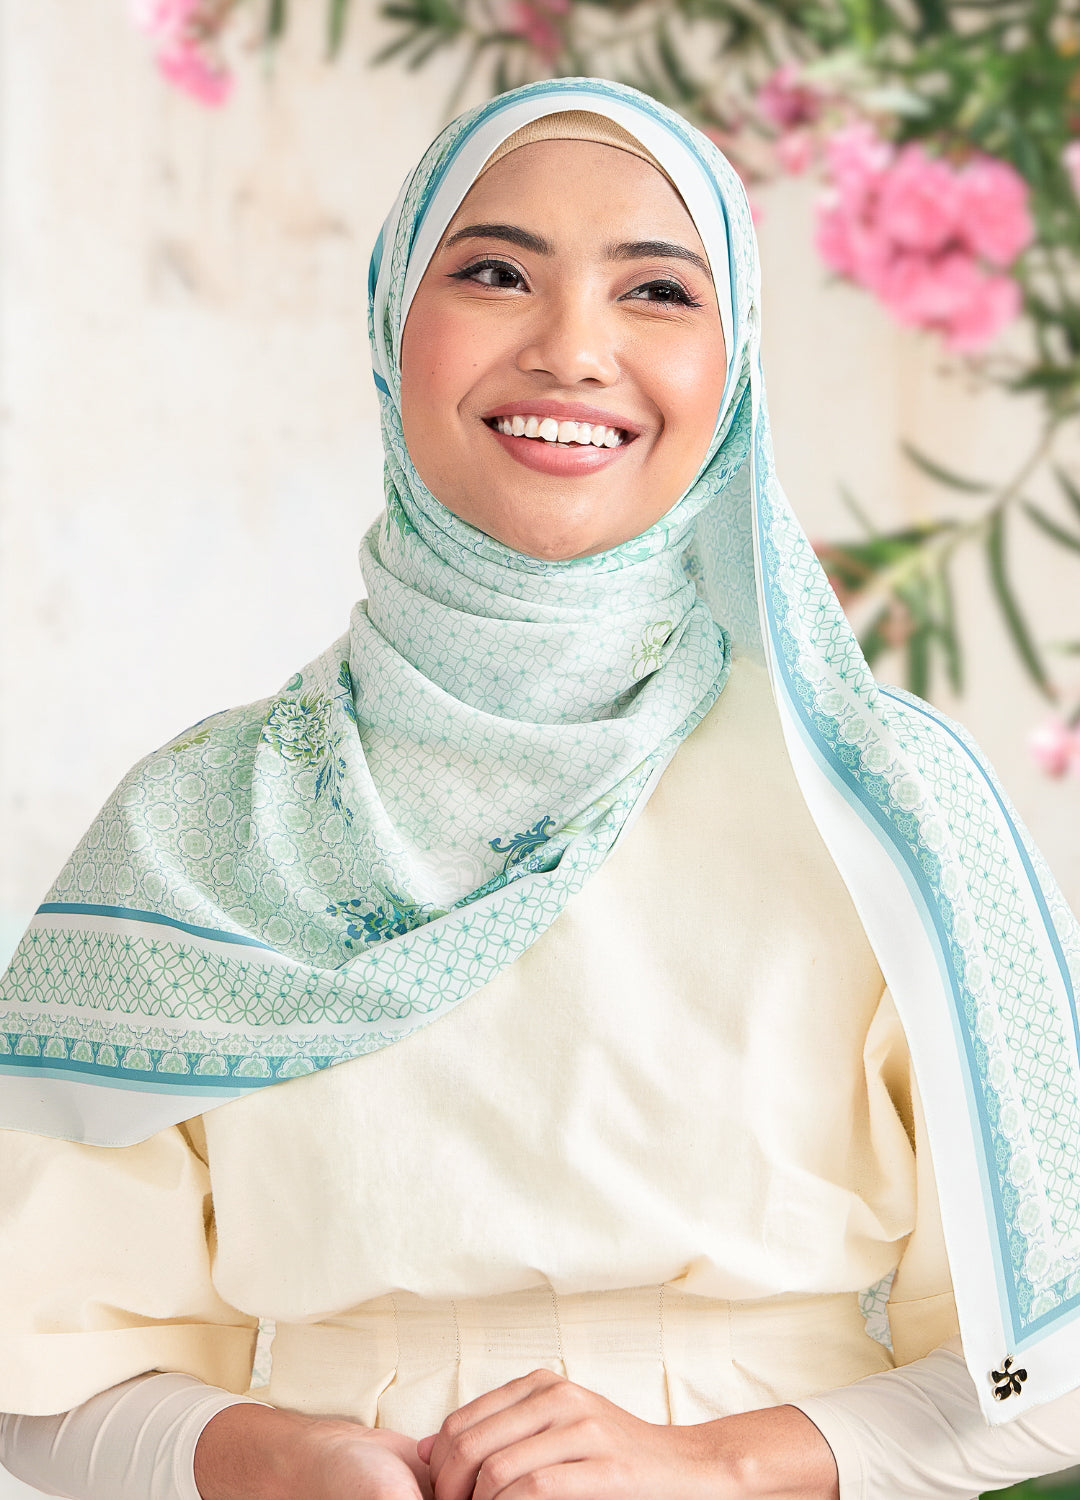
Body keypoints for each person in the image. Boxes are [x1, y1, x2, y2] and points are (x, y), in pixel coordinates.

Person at [2, 77, 1080, 1500]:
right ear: (394, 324)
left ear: (736, 360)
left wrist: (720, 1466)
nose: (575, 349)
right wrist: (260, 1457)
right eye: (498, 271)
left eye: (658, 292)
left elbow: (1047, 1365)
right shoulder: (202, 826)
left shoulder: (879, 805)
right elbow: (36, 1370)